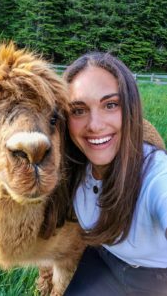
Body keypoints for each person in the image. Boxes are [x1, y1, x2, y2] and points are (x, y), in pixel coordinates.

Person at [63, 52, 167, 295]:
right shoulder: (74, 167)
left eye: (110, 105)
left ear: (130, 108)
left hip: (156, 279)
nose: (95, 125)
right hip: (103, 256)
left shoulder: (155, 176)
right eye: (78, 110)